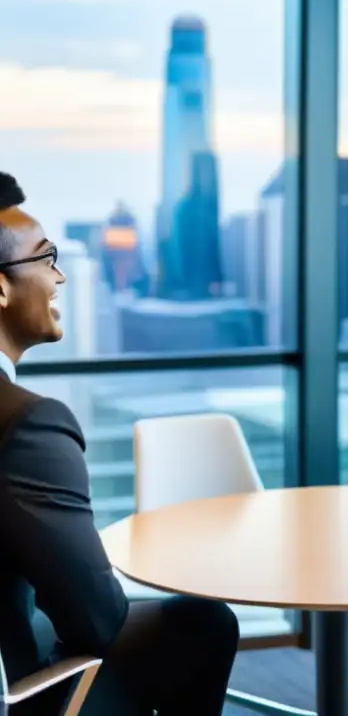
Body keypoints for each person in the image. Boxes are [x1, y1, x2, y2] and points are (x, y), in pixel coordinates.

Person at [0, 171, 239, 716]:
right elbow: (97, 620)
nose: (59, 277)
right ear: (2, 286)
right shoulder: (27, 425)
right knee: (203, 624)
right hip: (19, 692)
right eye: (45, 258)